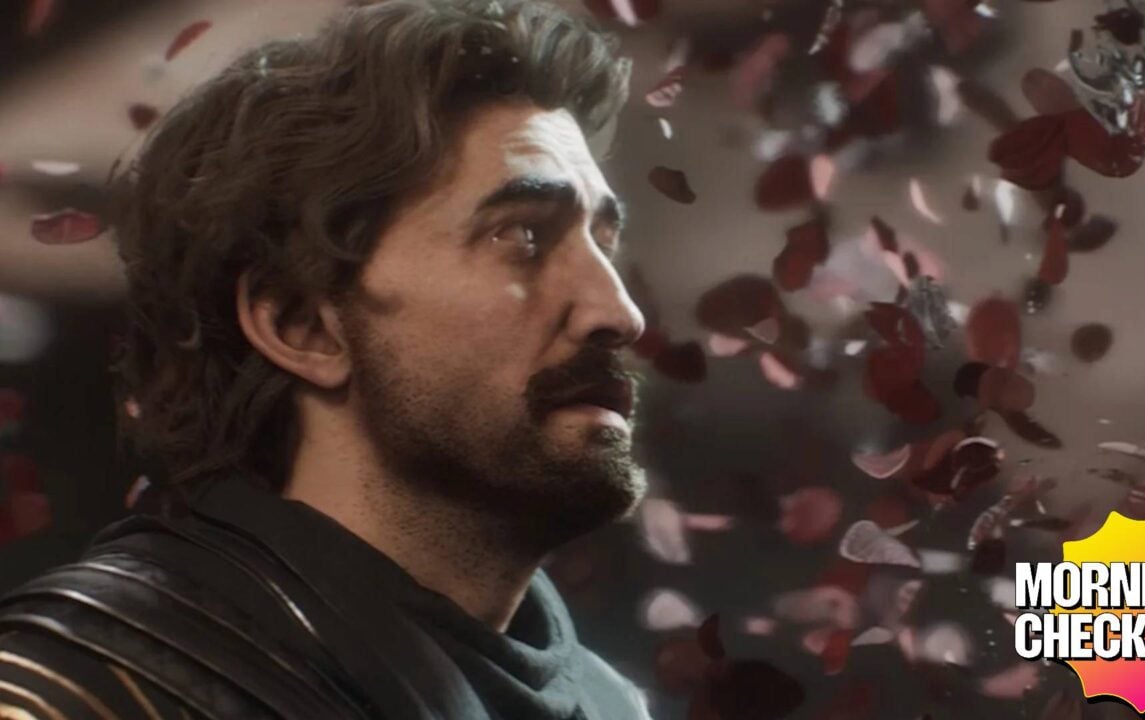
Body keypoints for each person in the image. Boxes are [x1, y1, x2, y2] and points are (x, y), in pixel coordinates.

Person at [0, 0, 654, 717]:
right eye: (522, 237)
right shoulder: (82, 692)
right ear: (303, 326)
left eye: (603, 242)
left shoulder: (615, 706)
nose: (620, 314)